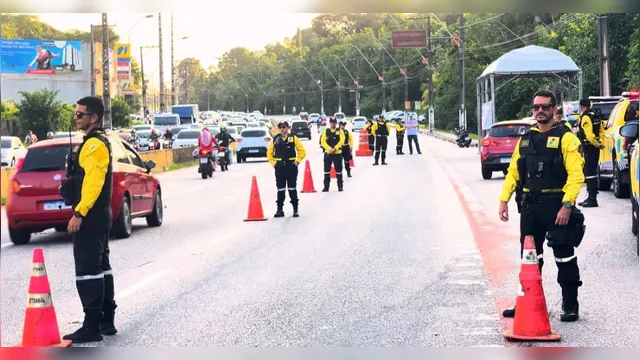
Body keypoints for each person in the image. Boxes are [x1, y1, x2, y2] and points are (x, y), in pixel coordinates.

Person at [498, 90, 585, 322]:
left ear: (554, 110)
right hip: (530, 207)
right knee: (529, 258)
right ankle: (527, 301)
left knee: (564, 255)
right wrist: (503, 199)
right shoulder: (526, 139)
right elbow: (514, 172)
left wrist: (567, 205)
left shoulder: (566, 138)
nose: (540, 111)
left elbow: (576, 175)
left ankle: (570, 304)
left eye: (545, 107)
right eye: (536, 107)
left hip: (557, 206)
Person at [61, 96, 116, 343]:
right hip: (98, 213)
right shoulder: (91, 143)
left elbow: (93, 184)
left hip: (91, 214)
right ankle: (105, 321)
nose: (76, 118)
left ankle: (92, 325)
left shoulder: (94, 145)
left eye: (80, 114)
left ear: (94, 118)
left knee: (87, 269)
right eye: (76, 114)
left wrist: (79, 213)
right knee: (100, 266)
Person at [267, 120, 307, 217]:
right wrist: (274, 163)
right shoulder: (275, 139)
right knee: (280, 189)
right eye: (280, 127)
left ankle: (295, 209)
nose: (282, 129)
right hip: (279, 167)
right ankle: (279, 210)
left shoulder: (293, 138)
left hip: (291, 166)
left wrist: (297, 161)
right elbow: (269, 153)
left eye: (284, 127)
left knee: (292, 188)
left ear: (288, 128)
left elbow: (302, 151)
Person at [576, 98, 605, 207]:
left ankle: (592, 199)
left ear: (581, 106)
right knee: (591, 171)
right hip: (594, 147)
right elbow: (601, 130)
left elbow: (589, 134)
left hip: (590, 147)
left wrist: (596, 144)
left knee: (589, 173)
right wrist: (600, 142)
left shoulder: (586, 117)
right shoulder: (596, 115)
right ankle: (590, 197)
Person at [320, 117, 346, 192]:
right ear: (329, 123)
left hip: (337, 154)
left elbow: (342, 141)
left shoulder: (339, 131)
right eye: (331, 122)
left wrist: (335, 148)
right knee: (326, 171)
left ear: (336, 123)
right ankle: (326, 187)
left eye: (334, 122)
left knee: (339, 171)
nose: (333, 124)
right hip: (328, 154)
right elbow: (323, 142)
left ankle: (340, 186)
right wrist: (329, 149)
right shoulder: (326, 131)